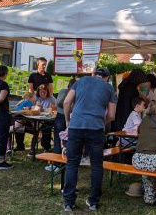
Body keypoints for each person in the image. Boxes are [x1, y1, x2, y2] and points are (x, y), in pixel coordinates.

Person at [62, 75, 117, 212]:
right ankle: (93, 202)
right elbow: (111, 115)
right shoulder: (109, 88)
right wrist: (101, 122)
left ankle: (69, 202)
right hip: (96, 129)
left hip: (76, 126)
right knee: (97, 165)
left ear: (94, 73)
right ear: (107, 77)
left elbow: (66, 102)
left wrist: (68, 120)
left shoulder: (80, 82)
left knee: (72, 163)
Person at [31, 84, 57, 156]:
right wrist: (36, 107)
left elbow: (57, 107)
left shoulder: (51, 98)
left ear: (47, 92)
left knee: (46, 129)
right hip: (38, 118)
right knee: (35, 130)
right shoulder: (37, 97)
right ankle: (32, 149)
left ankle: (46, 147)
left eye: (44, 92)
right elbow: (32, 107)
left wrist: (53, 107)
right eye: (41, 92)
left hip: (48, 119)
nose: (42, 94)